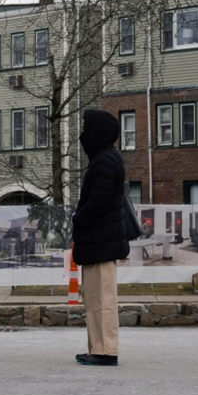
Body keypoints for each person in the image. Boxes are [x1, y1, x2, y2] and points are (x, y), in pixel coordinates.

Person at [71, 108, 127, 367]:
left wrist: (78, 218)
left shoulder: (105, 160)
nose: (82, 132)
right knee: (94, 298)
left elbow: (100, 201)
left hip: (101, 240)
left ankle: (105, 351)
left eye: (85, 126)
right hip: (98, 241)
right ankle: (98, 348)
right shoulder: (104, 158)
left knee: (102, 299)